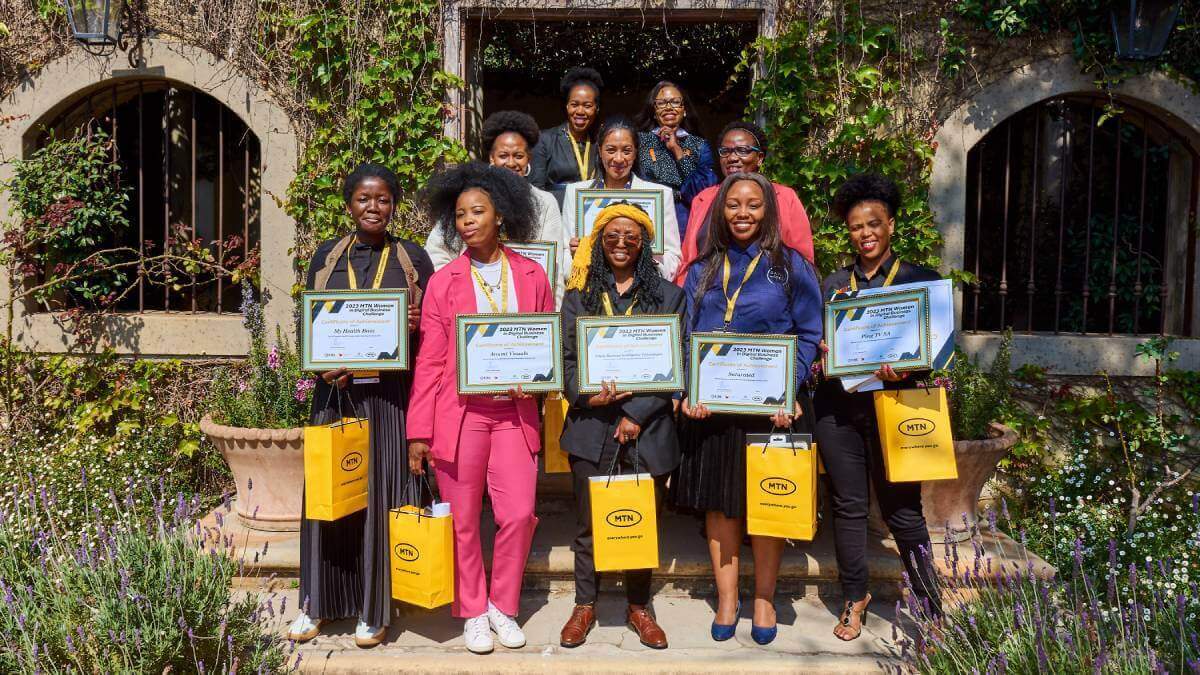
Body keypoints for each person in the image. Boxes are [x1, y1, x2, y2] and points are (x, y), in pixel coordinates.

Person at [406, 162, 553, 655]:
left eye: (478, 211)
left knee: (518, 513)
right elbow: (429, 361)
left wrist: (535, 384)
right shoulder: (444, 281)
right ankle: (472, 609)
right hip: (460, 416)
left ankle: (502, 604)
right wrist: (418, 432)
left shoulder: (532, 275)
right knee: (464, 518)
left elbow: (545, 345)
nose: (467, 221)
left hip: (514, 415)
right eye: (460, 214)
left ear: (501, 215)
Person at [287, 163, 435, 648]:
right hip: (337, 395)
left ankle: (373, 610)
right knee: (330, 499)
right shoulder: (326, 257)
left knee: (378, 499)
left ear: (394, 205)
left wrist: (413, 326)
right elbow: (307, 324)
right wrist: (320, 367)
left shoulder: (413, 259)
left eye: (384, 200)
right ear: (348, 204)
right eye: (364, 200)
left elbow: (434, 337)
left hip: (389, 399)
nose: (374, 208)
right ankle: (317, 605)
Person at [672, 172, 822, 646]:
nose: (742, 213)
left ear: (768, 211)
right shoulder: (703, 269)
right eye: (733, 204)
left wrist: (790, 391)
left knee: (768, 506)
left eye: (753, 204)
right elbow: (685, 337)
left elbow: (809, 334)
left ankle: (763, 597)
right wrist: (686, 392)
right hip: (713, 412)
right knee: (721, 506)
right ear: (719, 211)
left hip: (773, 410)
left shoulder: (792, 266)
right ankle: (728, 598)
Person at [814, 173, 943, 641]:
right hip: (839, 411)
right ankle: (855, 597)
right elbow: (814, 347)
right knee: (848, 508)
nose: (865, 233)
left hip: (897, 408)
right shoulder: (833, 283)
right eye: (855, 227)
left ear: (891, 224)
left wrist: (906, 370)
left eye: (873, 223)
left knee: (904, 514)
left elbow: (937, 351)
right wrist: (823, 354)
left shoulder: (920, 280)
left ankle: (931, 608)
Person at [557, 202, 684, 650]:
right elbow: (567, 361)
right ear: (597, 243)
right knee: (589, 524)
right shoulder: (578, 296)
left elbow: (677, 363)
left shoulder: (669, 297)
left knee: (640, 520)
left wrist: (635, 413)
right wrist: (588, 395)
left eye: (631, 237)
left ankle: (638, 605)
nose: (621, 245)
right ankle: (584, 604)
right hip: (591, 426)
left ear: (644, 243)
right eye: (611, 237)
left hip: (648, 430)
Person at [425, 110, 569, 304]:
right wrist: (455, 291)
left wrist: (549, 319)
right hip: (471, 303)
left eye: (518, 156)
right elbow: (437, 251)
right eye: (503, 155)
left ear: (528, 159)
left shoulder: (545, 202)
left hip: (526, 308)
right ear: (492, 158)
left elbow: (554, 269)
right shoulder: (469, 197)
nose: (511, 163)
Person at [674, 121, 815, 285]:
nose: (732, 158)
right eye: (725, 151)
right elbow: (689, 258)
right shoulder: (703, 199)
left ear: (760, 158)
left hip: (767, 294)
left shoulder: (784, 197)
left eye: (742, 150)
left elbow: (803, 257)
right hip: (710, 296)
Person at [561, 116, 683, 281]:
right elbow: (564, 254)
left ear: (635, 153)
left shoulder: (660, 195)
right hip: (592, 292)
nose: (618, 159)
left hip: (642, 295)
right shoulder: (575, 192)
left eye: (626, 151)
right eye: (611, 150)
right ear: (599, 151)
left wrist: (644, 264)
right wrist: (577, 258)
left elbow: (672, 257)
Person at [633, 81, 718, 241]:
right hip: (649, 214)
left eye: (675, 102)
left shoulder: (699, 145)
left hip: (685, 218)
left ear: (684, 110)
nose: (669, 107)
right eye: (661, 103)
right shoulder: (639, 142)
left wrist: (677, 150)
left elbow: (703, 192)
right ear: (654, 111)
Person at [530, 67, 604, 206]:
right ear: (567, 106)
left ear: (596, 109)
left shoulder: (600, 142)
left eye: (587, 105)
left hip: (593, 217)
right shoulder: (544, 140)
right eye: (574, 105)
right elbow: (536, 190)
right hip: (558, 216)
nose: (580, 111)